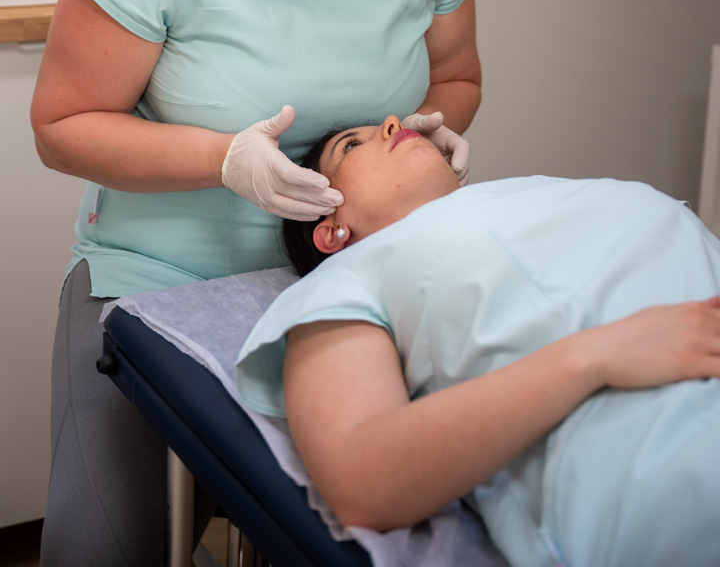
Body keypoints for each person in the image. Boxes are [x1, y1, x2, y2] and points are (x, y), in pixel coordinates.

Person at [30, 0, 482, 567]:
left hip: (353, 279)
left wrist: (435, 134)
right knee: (108, 545)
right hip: (157, 277)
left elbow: (456, 78)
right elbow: (62, 125)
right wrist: (222, 160)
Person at [236, 116, 720, 567]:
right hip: (670, 471)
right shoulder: (345, 278)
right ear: (331, 232)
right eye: (351, 146)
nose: (393, 123)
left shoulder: (541, 192)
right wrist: (594, 356)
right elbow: (360, 481)